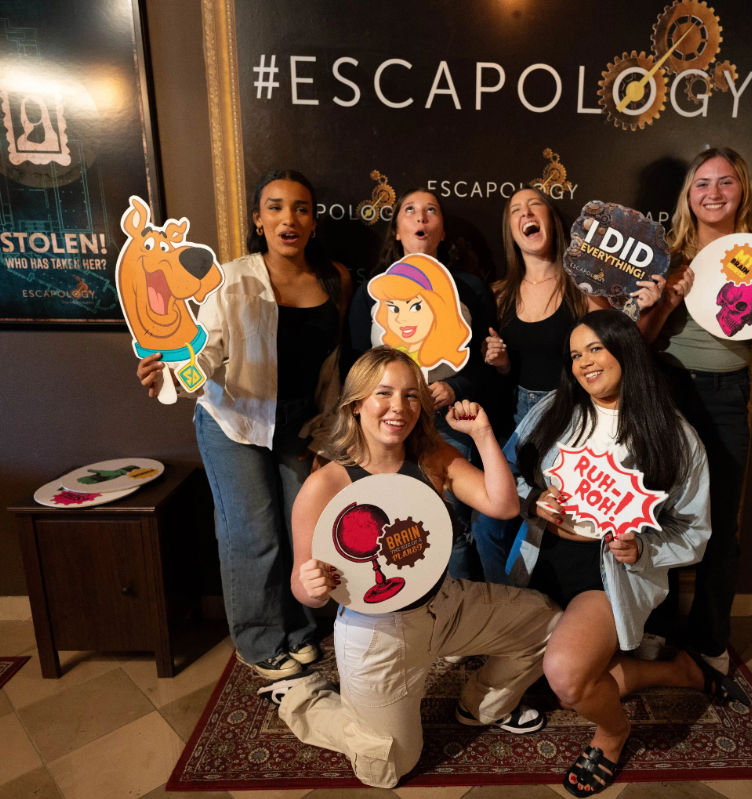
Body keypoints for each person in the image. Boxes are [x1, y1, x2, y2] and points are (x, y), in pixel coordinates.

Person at [266, 347, 560, 789]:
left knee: (547, 620)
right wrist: (312, 585)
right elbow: (303, 590)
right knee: (387, 769)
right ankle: (302, 698)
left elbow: (502, 505)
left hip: (443, 602)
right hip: (376, 632)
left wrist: (482, 435)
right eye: (383, 393)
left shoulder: (432, 456)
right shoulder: (324, 485)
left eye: (410, 396)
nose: (398, 407)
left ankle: (480, 707)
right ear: (356, 404)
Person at [506, 309, 747, 796]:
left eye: (595, 348)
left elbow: (695, 532)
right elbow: (505, 474)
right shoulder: (553, 410)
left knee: (568, 680)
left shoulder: (673, 436)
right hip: (540, 557)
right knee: (519, 671)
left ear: (626, 351)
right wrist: (533, 498)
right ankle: (675, 671)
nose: (584, 362)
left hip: (609, 572)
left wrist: (643, 546)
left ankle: (613, 733)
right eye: (575, 354)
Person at [137, 169, 352, 679]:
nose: (288, 218)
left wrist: (328, 436)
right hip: (234, 422)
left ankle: (299, 629)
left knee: (304, 532)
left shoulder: (335, 280)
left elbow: (333, 367)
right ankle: (259, 643)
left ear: (314, 222)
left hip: (299, 428)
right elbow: (206, 352)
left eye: (300, 208)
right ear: (258, 219)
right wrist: (170, 375)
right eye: (275, 207)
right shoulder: (231, 277)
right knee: (253, 536)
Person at [638, 147, 752, 673]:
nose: (713, 193)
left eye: (725, 182)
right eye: (702, 183)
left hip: (729, 392)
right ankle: (658, 631)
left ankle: (710, 638)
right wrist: (668, 298)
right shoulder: (667, 256)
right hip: (667, 390)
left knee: (720, 519)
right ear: (689, 195)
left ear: (741, 191)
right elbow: (638, 341)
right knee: (659, 513)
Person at [475, 188, 661, 582]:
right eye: (515, 210)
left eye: (535, 205)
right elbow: (501, 375)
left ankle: (542, 611)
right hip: (520, 420)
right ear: (510, 229)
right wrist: (503, 363)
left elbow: (613, 351)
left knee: (545, 524)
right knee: (490, 522)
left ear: (552, 220)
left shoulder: (582, 288)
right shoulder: (499, 294)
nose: (526, 213)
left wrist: (651, 310)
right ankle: (505, 605)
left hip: (572, 416)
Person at [346, 189, 495, 580]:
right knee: (393, 523)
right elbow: (358, 362)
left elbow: (486, 363)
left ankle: (458, 614)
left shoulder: (470, 288)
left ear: (442, 230)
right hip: (387, 425)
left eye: (431, 210)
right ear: (397, 230)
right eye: (410, 210)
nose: (421, 217)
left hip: (447, 422)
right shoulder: (370, 292)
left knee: (451, 521)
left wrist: (456, 388)